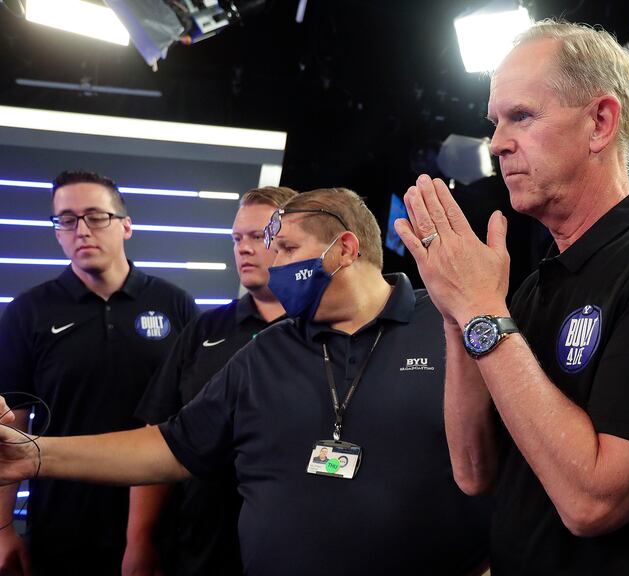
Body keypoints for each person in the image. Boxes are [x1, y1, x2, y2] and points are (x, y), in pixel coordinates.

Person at [394, 20, 629, 575]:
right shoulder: (534, 287)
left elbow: (593, 501)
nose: (496, 143)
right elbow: (474, 471)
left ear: (600, 122)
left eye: (522, 116)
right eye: (495, 122)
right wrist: (454, 312)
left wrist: (482, 311)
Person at [0, 187, 490, 576]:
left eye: (287, 248)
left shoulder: (448, 320)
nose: (272, 264)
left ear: (344, 249)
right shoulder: (266, 351)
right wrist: (34, 454)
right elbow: (169, 448)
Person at [0, 171, 198, 576]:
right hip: (62, 520)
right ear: (57, 233)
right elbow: (11, 427)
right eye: (67, 220)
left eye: (95, 216)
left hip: (163, 519)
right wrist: (3, 529)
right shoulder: (28, 312)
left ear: (126, 225)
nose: (81, 230)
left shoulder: (175, 305)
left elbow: (194, 420)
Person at [123, 186, 297, 576]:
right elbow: (159, 435)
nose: (243, 249)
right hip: (198, 550)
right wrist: (138, 540)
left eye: (258, 236)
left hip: (291, 550)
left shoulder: (322, 333)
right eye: (237, 238)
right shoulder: (205, 328)